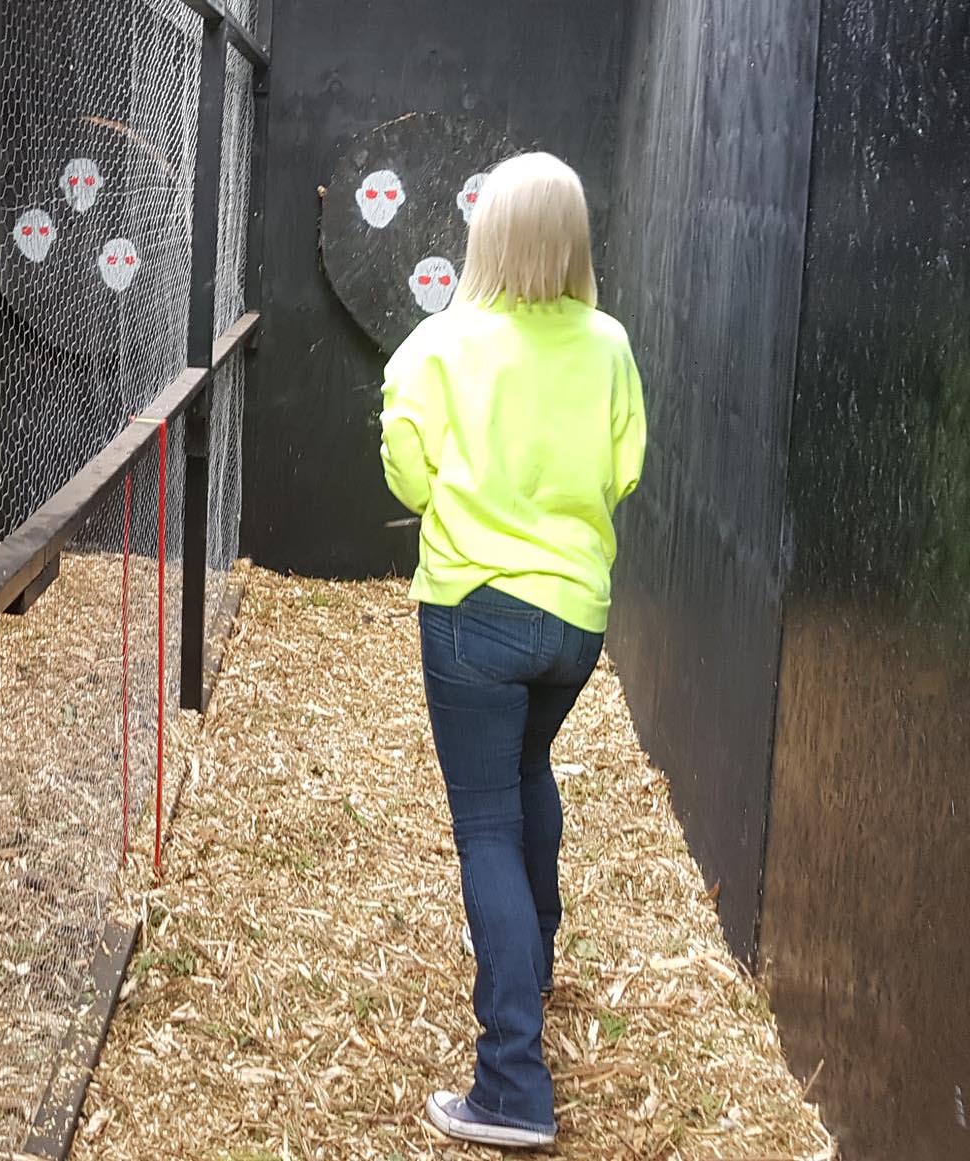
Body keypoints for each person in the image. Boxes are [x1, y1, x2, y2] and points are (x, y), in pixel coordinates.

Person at [378, 152, 647, 1150]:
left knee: (485, 826)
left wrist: (470, 498)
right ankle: (529, 959)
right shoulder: (609, 344)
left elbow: (408, 474)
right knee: (529, 771)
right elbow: (623, 468)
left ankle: (508, 1086)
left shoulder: (438, 344)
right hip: (574, 613)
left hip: (472, 610)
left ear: (484, 231)